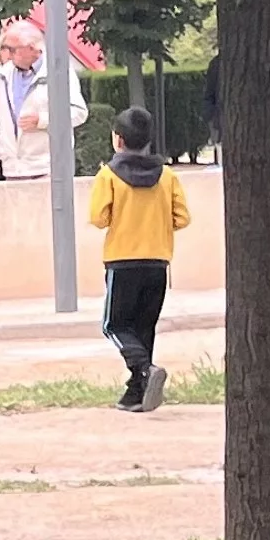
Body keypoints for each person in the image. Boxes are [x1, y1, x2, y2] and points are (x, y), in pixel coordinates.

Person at [88, 104, 190, 414]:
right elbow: (182, 218)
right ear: (149, 139)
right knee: (144, 326)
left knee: (115, 325)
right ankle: (136, 392)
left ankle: (144, 370)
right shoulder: (167, 176)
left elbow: (99, 218)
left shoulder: (108, 176)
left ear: (117, 140)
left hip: (122, 262)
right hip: (157, 261)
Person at [0, 19, 86, 179]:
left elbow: (79, 113)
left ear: (32, 48)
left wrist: (42, 120)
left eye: (12, 50)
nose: (8, 55)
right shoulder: (2, 75)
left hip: (48, 168)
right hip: (12, 169)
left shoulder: (59, 72)